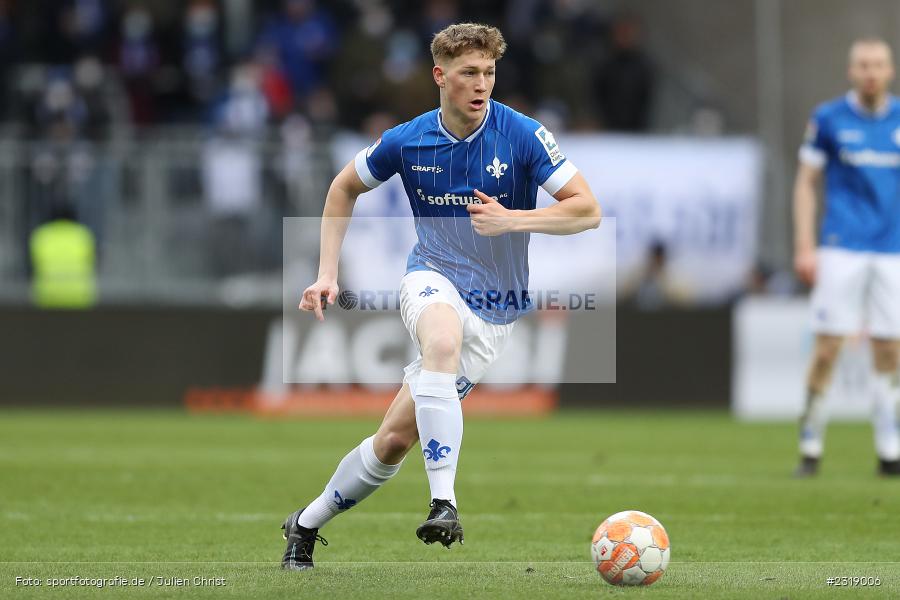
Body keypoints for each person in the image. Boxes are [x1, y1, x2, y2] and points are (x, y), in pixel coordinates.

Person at [281, 23, 601, 570]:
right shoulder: (408, 139)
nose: (481, 85)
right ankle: (444, 502)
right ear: (440, 76)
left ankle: (304, 524)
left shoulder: (522, 133)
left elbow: (587, 210)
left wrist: (513, 219)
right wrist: (327, 273)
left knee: (393, 441)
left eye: (489, 73)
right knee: (441, 340)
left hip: (496, 311)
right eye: (469, 73)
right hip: (430, 275)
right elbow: (343, 187)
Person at [793, 37, 900, 478]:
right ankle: (811, 443)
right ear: (850, 71)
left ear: (890, 71)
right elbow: (806, 182)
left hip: (892, 250)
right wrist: (804, 245)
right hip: (840, 245)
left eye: (878, 64)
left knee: (890, 350)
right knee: (827, 348)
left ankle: (889, 449)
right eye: (863, 64)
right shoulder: (829, 118)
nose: (871, 71)